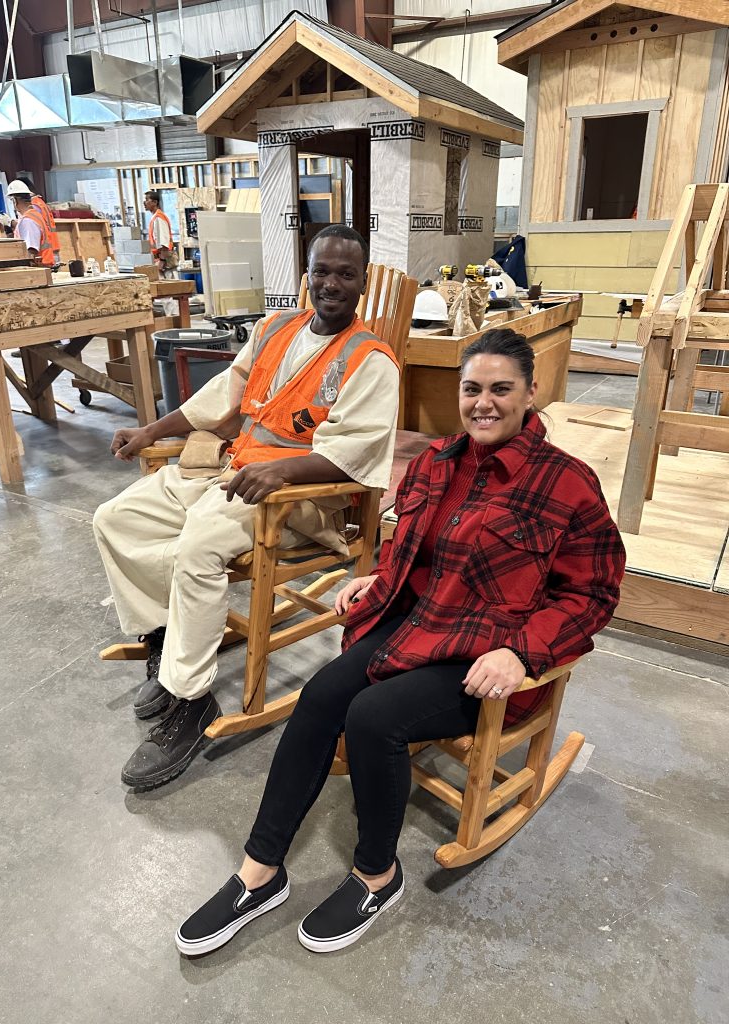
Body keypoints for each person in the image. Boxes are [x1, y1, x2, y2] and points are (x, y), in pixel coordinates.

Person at [174, 327, 626, 957]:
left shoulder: (567, 484)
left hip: (486, 656)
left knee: (373, 718)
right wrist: (377, 580)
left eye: (501, 389)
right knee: (320, 697)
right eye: (472, 389)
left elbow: (593, 594)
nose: (484, 403)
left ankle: (376, 876)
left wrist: (522, 652)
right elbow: (414, 551)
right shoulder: (440, 461)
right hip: (416, 625)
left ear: (532, 393)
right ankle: (261, 870)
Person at [93, 226, 400, 789]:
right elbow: (217, 402)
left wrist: (281, 469)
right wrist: (150, 430)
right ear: (307, 274)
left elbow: (357, 456)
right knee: (115, 518)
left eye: (346, 274)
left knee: (199, 547)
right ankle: (167, 641)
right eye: (322, 271)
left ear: (359, 283)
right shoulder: (274, 328)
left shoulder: (371, 361)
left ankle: (191, 698)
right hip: (233, 472)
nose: (331, 284)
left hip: (301, 500)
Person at [6, 180, 55, 267]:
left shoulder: (28, 220)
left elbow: (31, 250)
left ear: (15, 201)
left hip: (37, 269)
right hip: (43, 266)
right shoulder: (35, 216)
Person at [15, 177, 61, 268]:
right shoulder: (40, 203)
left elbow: (32, 242)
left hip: (43, 258)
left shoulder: (32, 210)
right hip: (51, 252)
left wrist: (11, 223)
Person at [144, 190, 176, 277]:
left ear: (155, 202)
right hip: (160, 258)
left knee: (169, 283)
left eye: (147, 200)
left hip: (165, 261)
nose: (144, 203)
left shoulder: (159, 218)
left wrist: (162, 261)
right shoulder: (155, 217)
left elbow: (164, 242)